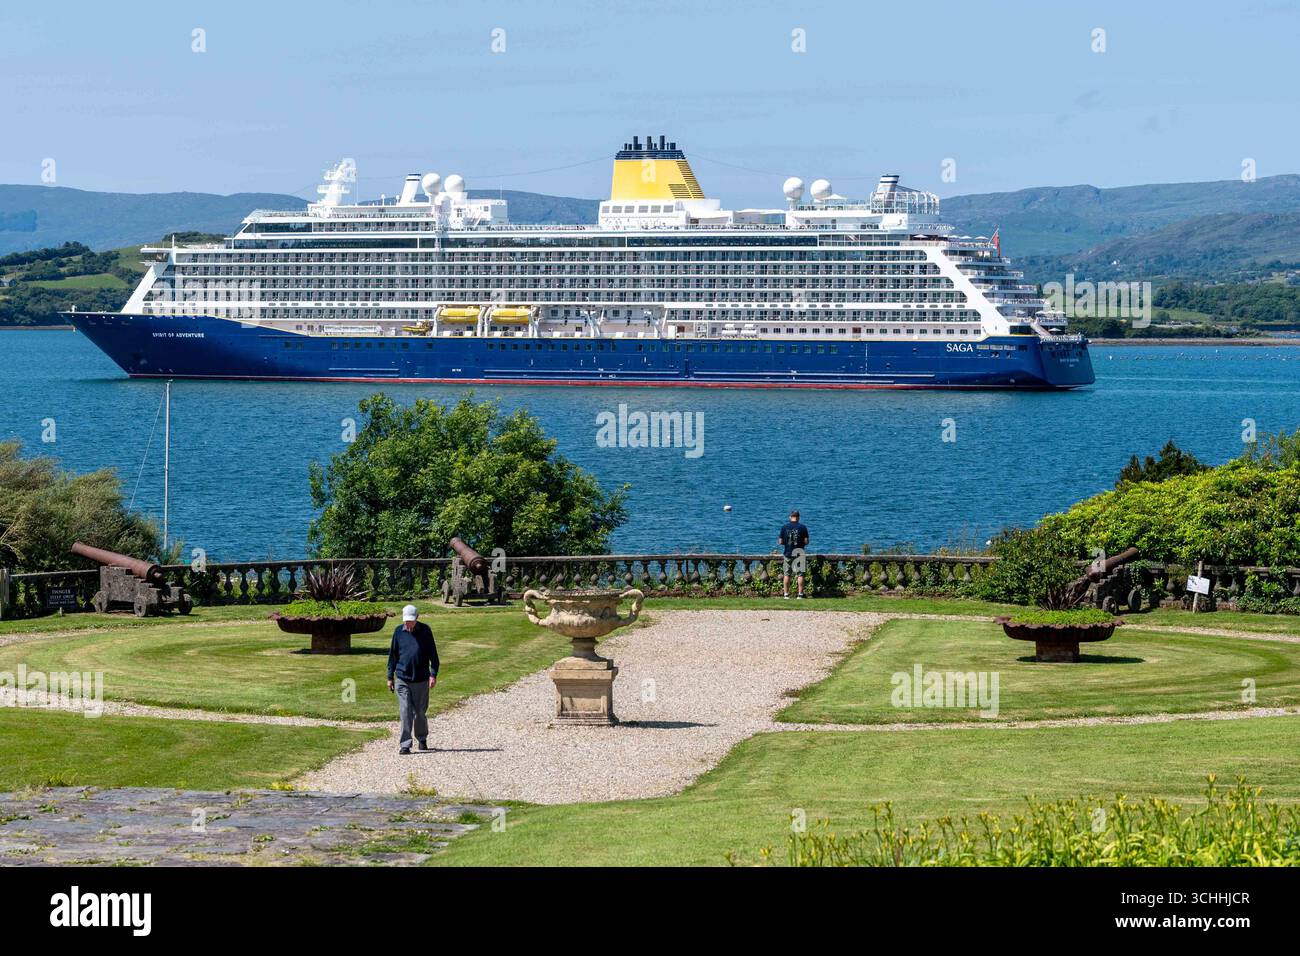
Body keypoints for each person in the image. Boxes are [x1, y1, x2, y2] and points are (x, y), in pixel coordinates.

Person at [387, 604, 439, 755]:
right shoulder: (398, 632)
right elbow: (393, 656)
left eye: (411, 621)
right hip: (402, 678)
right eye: (406, 622)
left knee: (420, 712)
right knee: (405, 710)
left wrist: (433, 674)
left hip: (421, 679)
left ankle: (422, 739)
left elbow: (434, 656)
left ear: (417, 618)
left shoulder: (425, 631)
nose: (408, 624)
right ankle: (405, 744)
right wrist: (390, 677)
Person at [778, 510, 810, 599]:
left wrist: (787, 543)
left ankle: (786, 594)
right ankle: (800, 594)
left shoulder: (784, 527)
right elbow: (806, 542)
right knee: (800, 574)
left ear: (790, 517)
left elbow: (780, 542)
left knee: (787, 574)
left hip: (788, 552)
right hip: (799, 552)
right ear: (798, 517)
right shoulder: (803, 527)